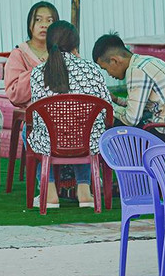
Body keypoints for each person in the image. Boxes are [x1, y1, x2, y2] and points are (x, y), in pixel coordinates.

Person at [28, 20, 112, 208]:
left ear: (48, 44)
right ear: (75, 45)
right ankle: (84, 191)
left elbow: (37, 119)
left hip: (51, 143)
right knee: (83, 127)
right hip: (88, 141)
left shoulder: (37, 73)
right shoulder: (93, 69)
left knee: (31, 130)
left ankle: (49, 192)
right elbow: (107, 109)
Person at [92, 33, 165, 146]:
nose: (109, 74)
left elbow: (131, 119)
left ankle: (120, 161)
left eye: (105, 69)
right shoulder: (145, 61)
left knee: (117, 125)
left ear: (115, 60)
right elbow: (139, 104)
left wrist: (108, 107)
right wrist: (116, 100)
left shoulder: (136, 70)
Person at [4, 1, 58, 106]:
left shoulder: (63, 52)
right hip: (34, 116)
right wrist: (43, 69)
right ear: (30, 25)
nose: (44, 25)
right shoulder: (19, 54)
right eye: (38, 20)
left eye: (49, 20)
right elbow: (14, 93)